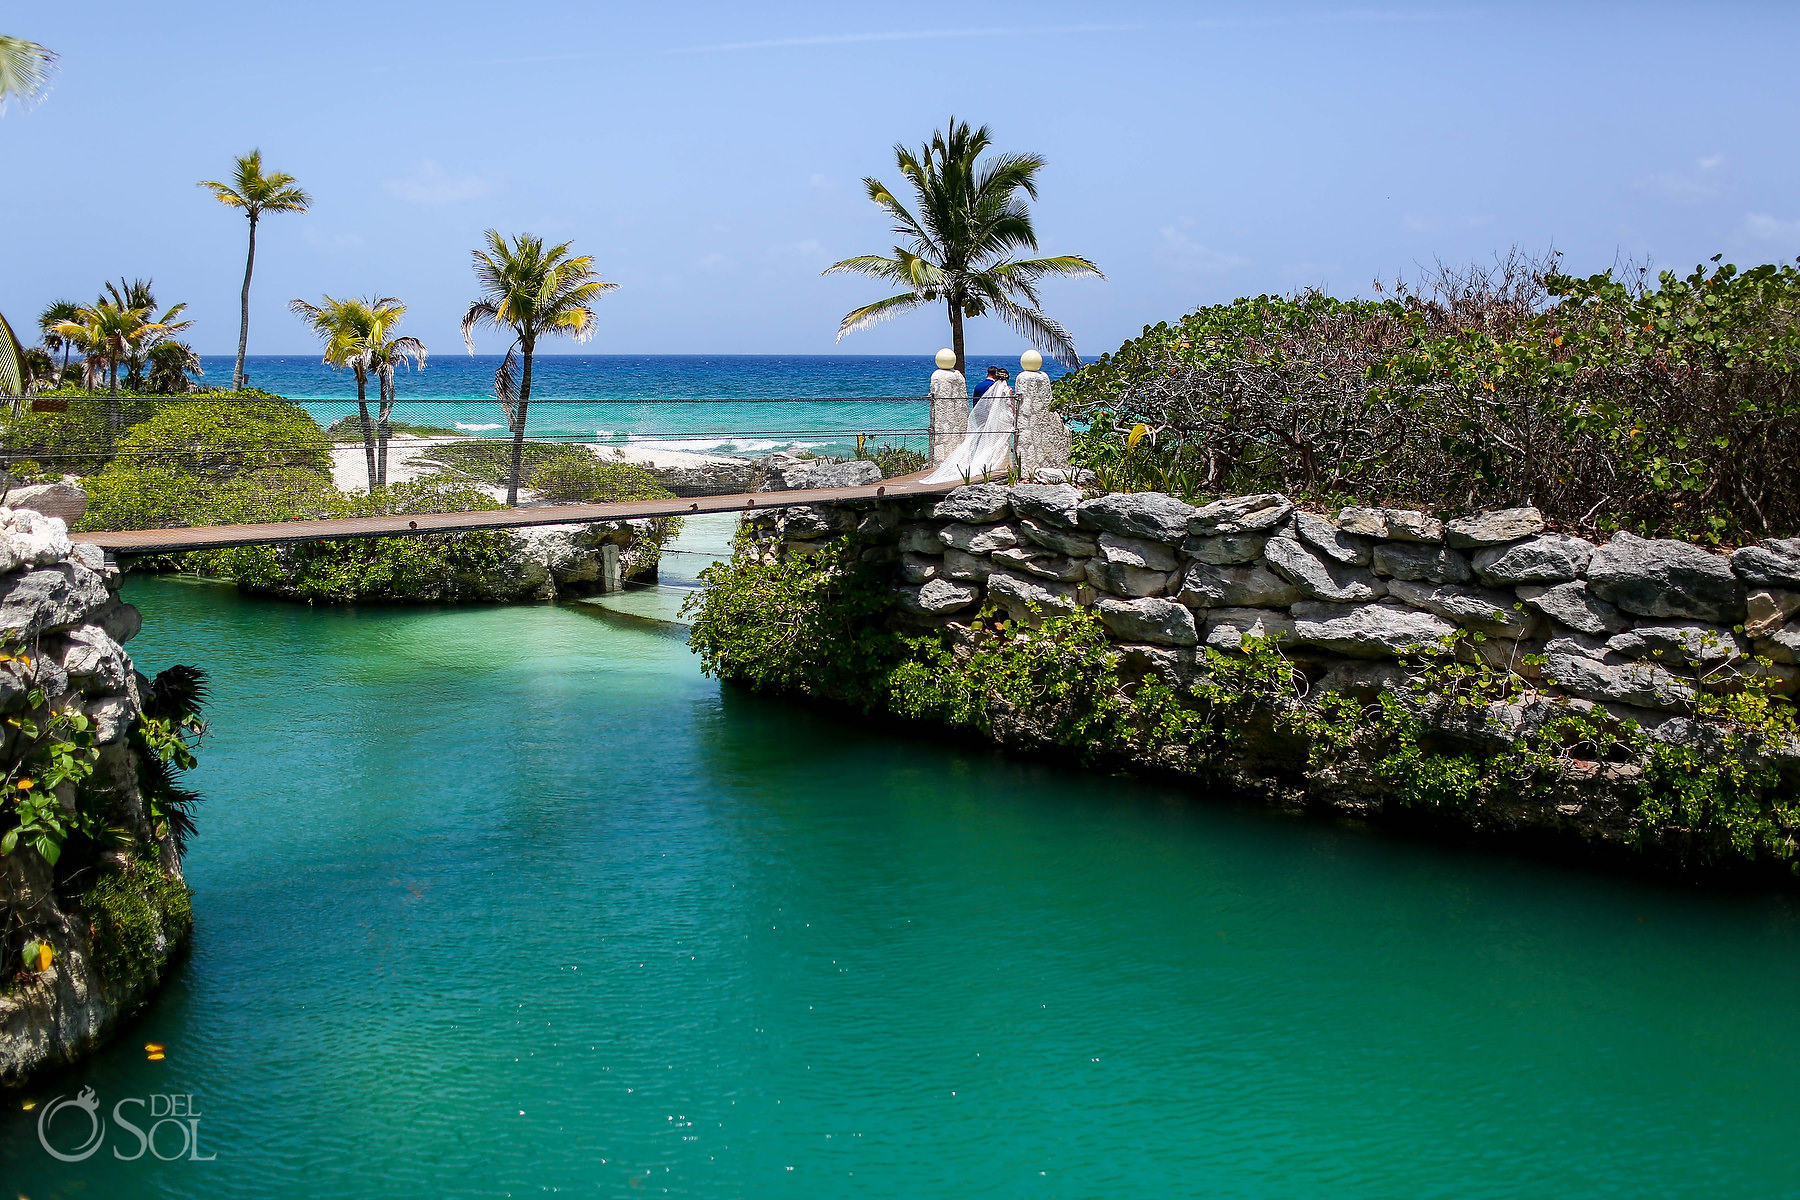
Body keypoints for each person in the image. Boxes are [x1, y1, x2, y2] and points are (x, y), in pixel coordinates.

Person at [925, 367, 1014, 483]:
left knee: (983, 442)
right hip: (997, 419)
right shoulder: (1003, 389)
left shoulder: (978, 386)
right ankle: (997, 464)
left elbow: (977, 403)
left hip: (980, 418)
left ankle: (982, 460)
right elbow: (1005, 405)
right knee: (998, 441)